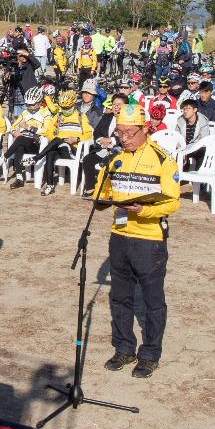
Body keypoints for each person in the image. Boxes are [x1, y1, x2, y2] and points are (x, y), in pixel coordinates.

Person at [92, 102, 180, 379]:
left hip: (149, 239)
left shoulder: (163, 159)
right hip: (119, 236)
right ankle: (124, 348)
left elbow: (172, 202)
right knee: (120, 297)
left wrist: (145, 211)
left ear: (145, 129)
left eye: (130, 133)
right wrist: (101, 194)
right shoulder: (116, 159)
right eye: (120, 133)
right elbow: (102, 193)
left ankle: (150, 353)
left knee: (153, 301)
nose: (124, 138)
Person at [38, 89, 92, 195]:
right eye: (62, 108)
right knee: (50, 152)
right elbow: (49, 131)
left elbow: (89, 134)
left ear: (73, 105)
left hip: (73, 150)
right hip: (59, 147)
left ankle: (38, 157)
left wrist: (76, 139)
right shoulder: (59, 116)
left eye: (67, 108)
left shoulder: (81, 116)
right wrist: (53, 136)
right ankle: (49, 185)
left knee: (59, 141)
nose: (64, 110)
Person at [5, 87, 58, 187]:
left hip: (38, 144)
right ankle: (19, 178)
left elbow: (47, 131)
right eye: (28, 104)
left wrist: (29, 127)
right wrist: (14, 132)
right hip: (24, 142)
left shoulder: (45, 113)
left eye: (32, 104)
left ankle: (4, 157)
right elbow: (13, 126)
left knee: (20, 140)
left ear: (39, 102)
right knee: (19, 146)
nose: (30, 107)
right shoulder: (25, 113)